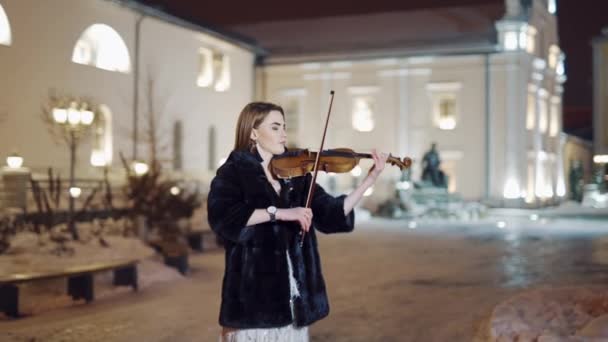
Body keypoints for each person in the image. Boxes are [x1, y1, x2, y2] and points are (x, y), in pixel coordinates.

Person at [207, 102, 388, 341]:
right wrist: (280, 212)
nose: (283, 134)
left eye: (284, 126)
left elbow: (332, 213)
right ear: (253, 132)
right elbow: (224, 218)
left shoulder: (297, 175)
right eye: (275, 127)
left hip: (296, 305)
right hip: (253, 306)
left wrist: (370, 179)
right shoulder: (232, 173)